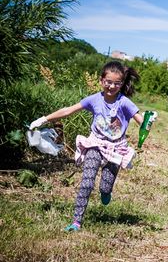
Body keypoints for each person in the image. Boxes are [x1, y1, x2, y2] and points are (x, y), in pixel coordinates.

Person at [29, 61, 144, 231]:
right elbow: (68, 110)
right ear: (101, 81)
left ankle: (106, 191)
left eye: (116, 83)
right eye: (108, 82)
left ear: (121, 84)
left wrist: (148, 123)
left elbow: (142, 121)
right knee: (87, 181)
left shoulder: (124, 102)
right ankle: (76, 221)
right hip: (95, 144)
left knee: (105, 187)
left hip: (115, 148)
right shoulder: (94, 99)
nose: (111, 86)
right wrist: (43, 119)